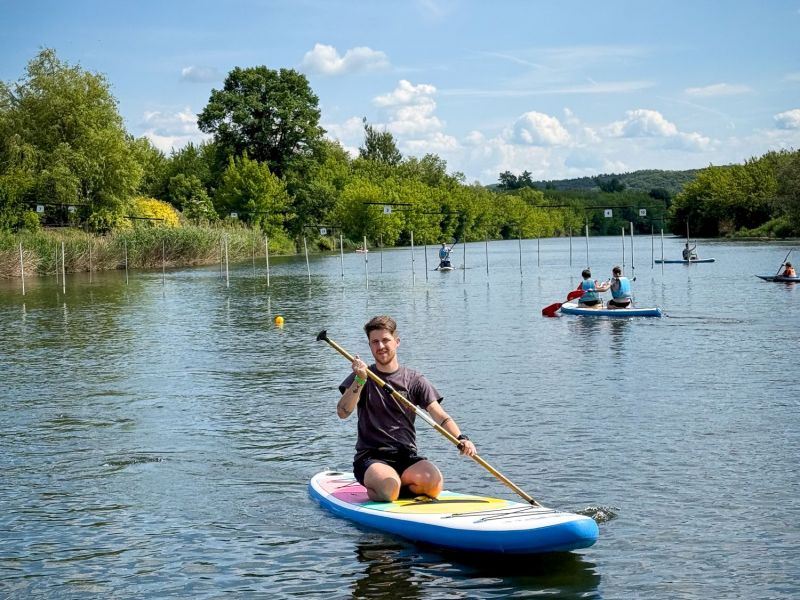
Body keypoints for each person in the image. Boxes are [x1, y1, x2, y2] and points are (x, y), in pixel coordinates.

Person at [337, 316, 476, 502]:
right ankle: (386, 487)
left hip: (406, 456)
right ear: (370, 346)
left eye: (386, 340)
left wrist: (461, 438)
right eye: (375, 342)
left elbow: (440, 416)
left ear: (397, 341)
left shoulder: (414, 379)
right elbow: (343, 412)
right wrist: (360, 380)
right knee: (387, 487)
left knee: (434, 483)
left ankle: (396, 486)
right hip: (371, 457)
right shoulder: (362, 376)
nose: (380, 346)